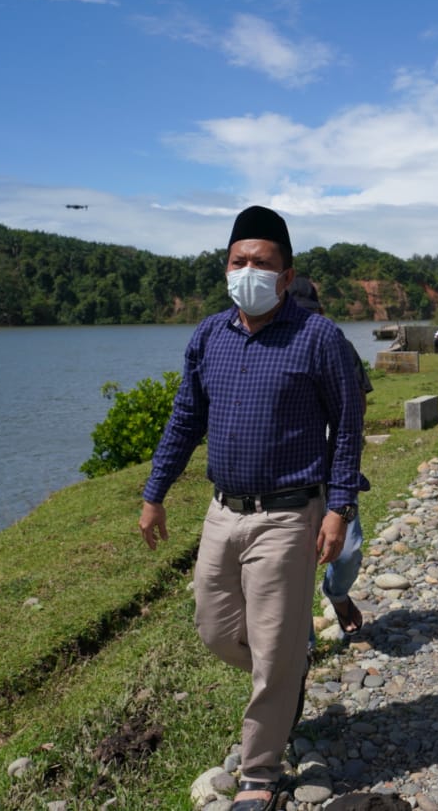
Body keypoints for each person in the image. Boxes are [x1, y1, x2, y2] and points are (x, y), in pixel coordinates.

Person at [137, 207, 364, 811]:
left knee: (271, 647)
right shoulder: (210, 335)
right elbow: (186, 417)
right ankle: (287, 670)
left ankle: (260, 773)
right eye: (239, 262)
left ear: (286, 277)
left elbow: (347, 426)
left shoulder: (317, 338)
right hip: (222, 512)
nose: (248, 272)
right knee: (215, 630)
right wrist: (155, 493)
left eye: (261, 263)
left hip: (289, 515)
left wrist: (339, 507)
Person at [287, 275, 370, 640]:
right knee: (293, 562)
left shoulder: (340, 346)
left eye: (310, 314)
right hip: (289, 481)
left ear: (321, 313)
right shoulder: (274, 350)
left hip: (334, 474)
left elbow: (357, 410)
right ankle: (300, 645)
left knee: (348, 550)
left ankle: (336, 593)